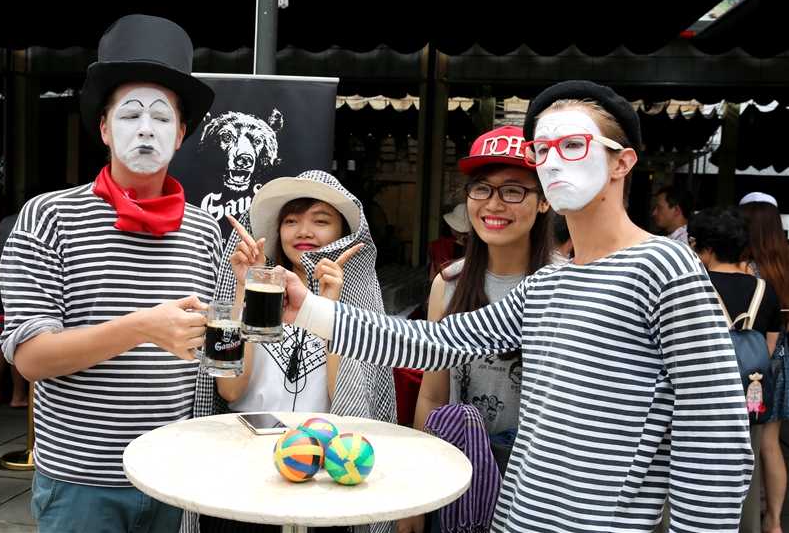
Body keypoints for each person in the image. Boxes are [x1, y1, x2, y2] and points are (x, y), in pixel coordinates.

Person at [282, 81, 753, 533]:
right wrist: (307, 309)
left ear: (622, 162)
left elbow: (715, 439)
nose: (554, 162)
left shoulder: (664, 267)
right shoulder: (548, 283)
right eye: (542, 150)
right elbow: (436, 343)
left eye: (573, 145)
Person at [0, 14, 220, 533]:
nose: (145, 128)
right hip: (81, 484)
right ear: (103, 128)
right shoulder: (49, 217)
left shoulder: (206, 230)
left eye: (162, 116)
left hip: (174, 476)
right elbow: (31, 358)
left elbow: (213, 357)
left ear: (181, 134)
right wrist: (143, 327)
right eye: (129, 114)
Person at [189, 170, 397, 533]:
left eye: (320, 221)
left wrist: (331, 309)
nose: (303, 231)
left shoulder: (358, 306)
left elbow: (348, 400)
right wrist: (245, 288)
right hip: (247, 467)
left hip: (325, 473)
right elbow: (230, 390)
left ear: (342, 234)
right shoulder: (260, 292)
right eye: (291, 221)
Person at [398, 125, 551, 533]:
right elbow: (432, 395)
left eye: (513, 190)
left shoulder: (566, 284)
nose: (494, 204)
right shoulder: (448, 284)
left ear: (544, 201)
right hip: (457, 474)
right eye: (482, 188)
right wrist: (416, 498)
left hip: (535, 485)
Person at [688, 206, 783, 533]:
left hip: (701, 399)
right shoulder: (764, 290)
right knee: (747, 464)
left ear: (706, 249)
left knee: (695, 468)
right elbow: (769, 347)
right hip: (748, 396)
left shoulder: (693, 288)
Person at [739, 192, 789, 533]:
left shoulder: (746, 269)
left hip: (750, 364)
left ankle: (744, 515)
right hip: (782, 359)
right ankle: (774, 520)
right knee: (771, 444)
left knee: (746, 443)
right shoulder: (785, 265)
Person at [0, 211, 26, 407]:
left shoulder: (4, 222)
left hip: (1, 283)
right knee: (20, 341)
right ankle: (17, 396)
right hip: (22, 285)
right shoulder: (37, 218)